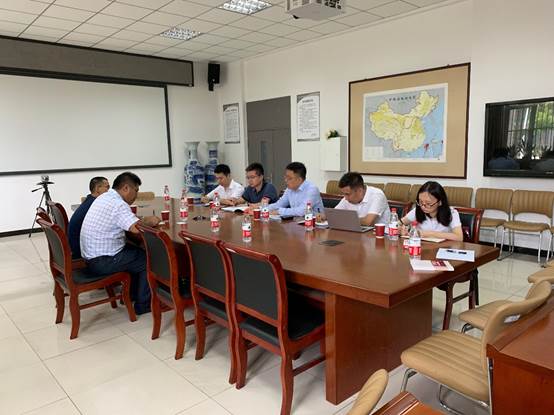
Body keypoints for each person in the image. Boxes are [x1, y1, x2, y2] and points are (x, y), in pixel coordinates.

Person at [80, 172, 160, 315]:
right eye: (136, 190)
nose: (136, 195)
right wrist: (151, 220)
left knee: (137, 252)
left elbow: (126, 220)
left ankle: (131, 295)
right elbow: (136, 228)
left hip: (91, 256)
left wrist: (137, 219)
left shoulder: (105, 197)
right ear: (126, 188)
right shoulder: (118, 204)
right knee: (148, 259)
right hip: (102, 261)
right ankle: (143, 304)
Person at [68, 176, 110, 259]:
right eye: (107, 187)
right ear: (98, 188)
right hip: (80, 250)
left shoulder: (90, 199)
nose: (109, 190)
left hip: (75, 244)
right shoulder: (96, 205)